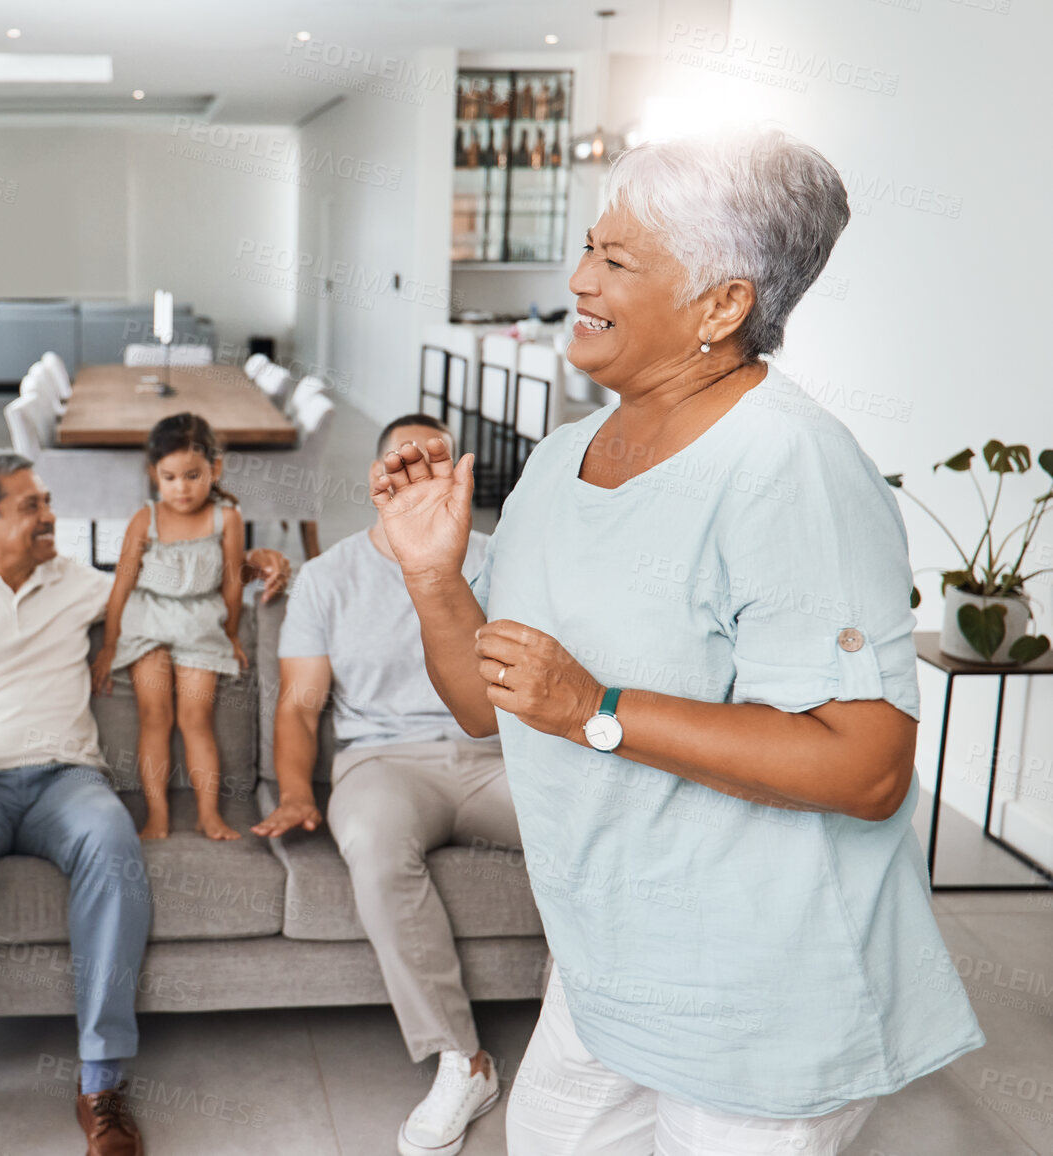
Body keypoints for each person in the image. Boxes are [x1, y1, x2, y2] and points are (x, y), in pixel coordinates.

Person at [372, 127, 982, 1156]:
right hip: (602, 960)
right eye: (586, 249)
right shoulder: (564, 458)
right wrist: (433, 580)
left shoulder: (787, 466)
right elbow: (490, 705)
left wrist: (597, 710)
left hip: (754, 988)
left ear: (720, 304)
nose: (575, 277)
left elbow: (866, 765)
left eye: (614, 260)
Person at [0, 448, 288, 1156]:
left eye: (46, 502)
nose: (51, 517)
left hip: (64, 780)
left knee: (112, 842)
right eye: (30, 507)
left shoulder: (78, 584)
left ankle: (100, 1081)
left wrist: (252, 565)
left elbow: (172, 583)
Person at [252, 413, 519, 1156]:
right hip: (384, 763)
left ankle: (608, 1030)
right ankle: (463, 1060)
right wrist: (298, 790)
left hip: (498, 755)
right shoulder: (328, 577)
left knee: (597, 826)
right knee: (368, 838)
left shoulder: (504, 559)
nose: (424, 476)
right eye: (407, 464)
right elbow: (300, 705)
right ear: (380, 483)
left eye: (439, 464)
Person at [92, 413, 248, 841]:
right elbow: (121, 584)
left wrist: (231, 634)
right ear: (154, 474)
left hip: (200, 625)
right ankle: (156, 815)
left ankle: (208, 814)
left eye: (193, 475)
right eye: (171, 476)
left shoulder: (227, 519)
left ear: (215, 469)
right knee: (154, 716)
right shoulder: (145, 519)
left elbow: (233, 584)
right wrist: (109, 644)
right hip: (148, 625)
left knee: (196, 719)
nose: (182, 487)